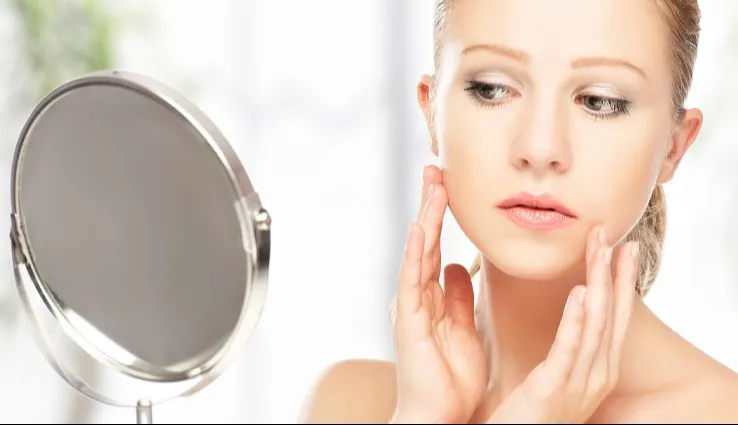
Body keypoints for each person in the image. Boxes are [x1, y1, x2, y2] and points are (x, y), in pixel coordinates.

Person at [299, 0, 738, 423]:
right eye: (491, 89)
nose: (540, 148)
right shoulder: (347, 405)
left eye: (599, 101)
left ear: (674, 147)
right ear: (432, 112)